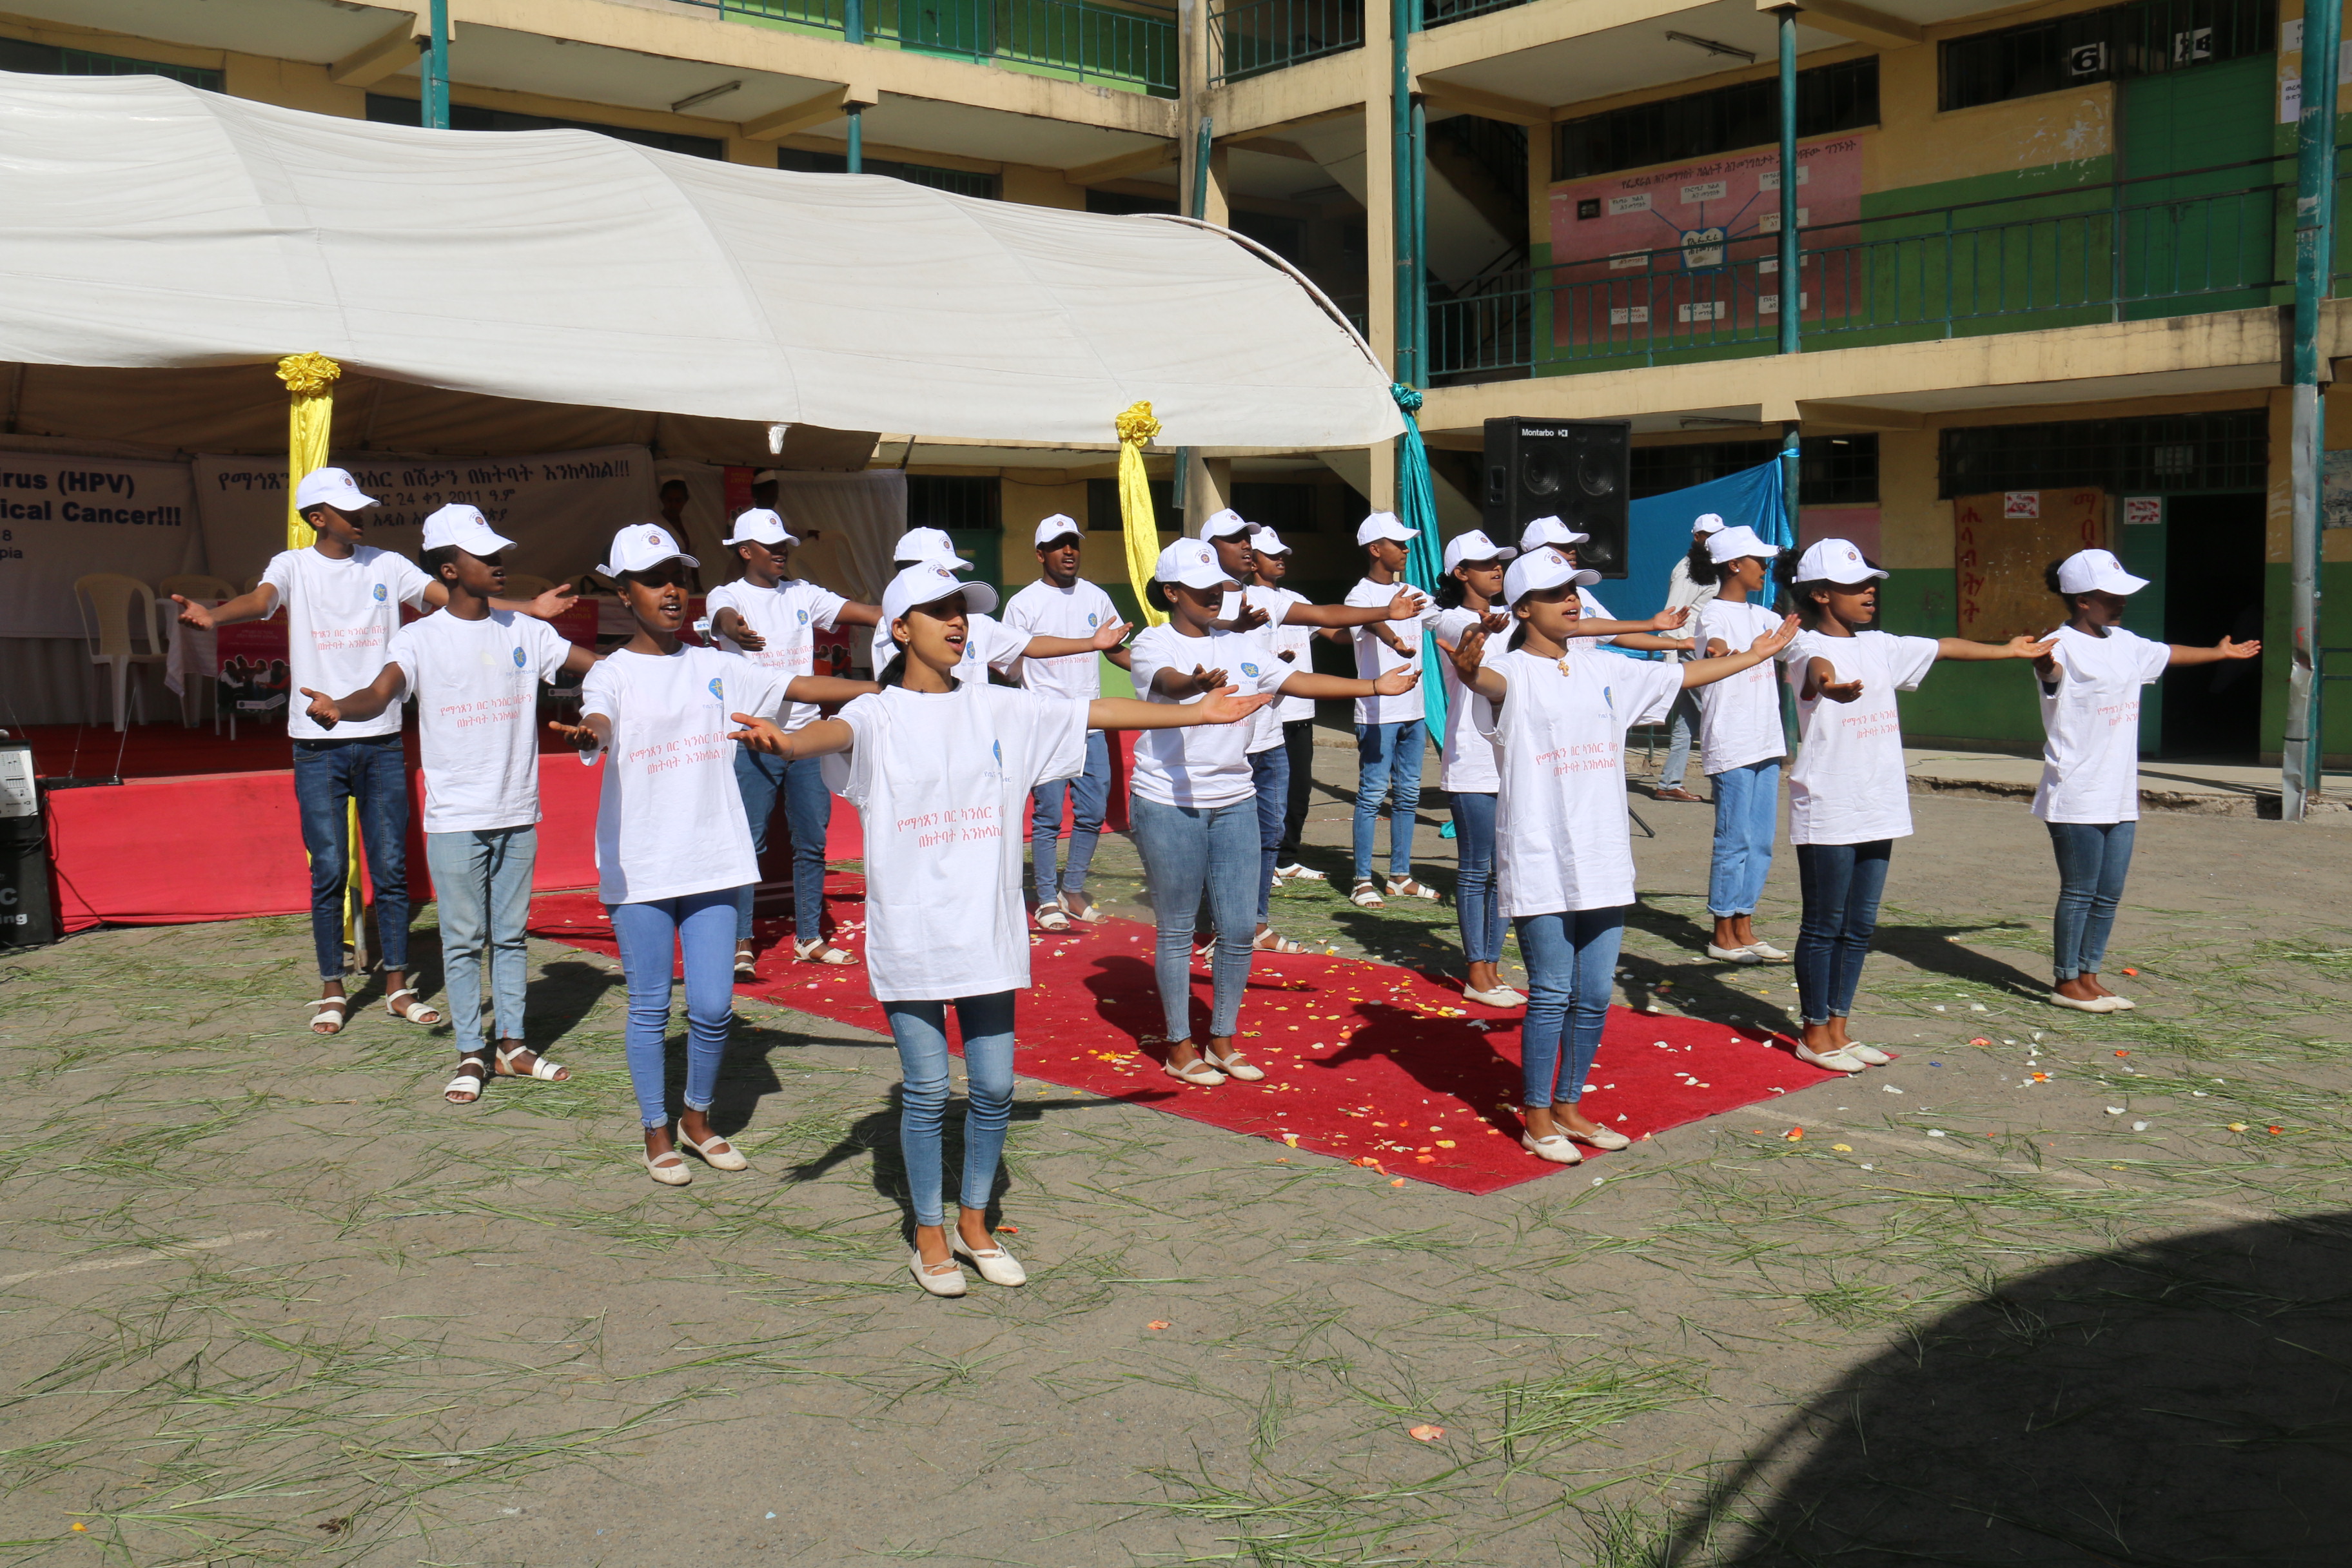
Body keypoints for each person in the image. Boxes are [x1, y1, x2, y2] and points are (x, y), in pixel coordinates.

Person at [739, 558, 1272, 1295]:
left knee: (992, 1088)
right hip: (916, 938)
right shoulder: (878, 713)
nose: (958, 621)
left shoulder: (997, 705)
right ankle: (927, 1230)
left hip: (987, 935)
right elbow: (823, 736)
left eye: (962, 609)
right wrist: (784, 744)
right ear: (900, 629)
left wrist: (1194, 715)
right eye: (938, 610)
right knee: (927, 1091)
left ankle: (975, 1220)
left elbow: (1093, 714)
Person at [173, 467, 573, 1038]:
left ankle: (396, 984)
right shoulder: (293, 566)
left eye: (361, 507)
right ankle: (333, 986)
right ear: (317, 518)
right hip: (317, 743)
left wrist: (526, 608)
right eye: (346, 509)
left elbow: (450, 594)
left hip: (382, 737)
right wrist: (214, 616)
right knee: (330, 867)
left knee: (389, 867)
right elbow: (262, 600)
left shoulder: (388, 564)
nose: (361, 516)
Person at [1446, 547, 1799, 1164]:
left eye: (1573, 590)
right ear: (1524, 608)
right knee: (1552, 991)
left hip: (1604, 857)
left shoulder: (1605, 667)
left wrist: (1757, 656)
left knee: (1594, 994)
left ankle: (1570, 1105)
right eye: (1557, 593)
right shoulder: (1514, 673)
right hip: (1540, 856)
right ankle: (1536, 1116)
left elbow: (1682, 676)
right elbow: (1490, 684)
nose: (1572, 600)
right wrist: (1473, 670)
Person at [549, 524, 870, 1186]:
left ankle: (697, 1117)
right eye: (655, 578)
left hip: (715, 860)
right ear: (623, 591)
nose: (672, 589)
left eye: (680, 576)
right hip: (641, 865)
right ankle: (655, 1130)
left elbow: (801, 688)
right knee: (647, 1006)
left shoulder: (714, 665)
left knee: (717, 1005)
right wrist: (593, 731)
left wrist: (890, 695)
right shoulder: (612, 672)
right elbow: (601, 714)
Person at [298, 504, 600, 1102]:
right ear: (448, 569)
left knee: (510, 936)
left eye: (498, 553)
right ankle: (471, 1052)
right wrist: (339, 707)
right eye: (483, 555)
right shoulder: (418, 638)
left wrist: (633, 692)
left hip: (518, 811)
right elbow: (379, 692)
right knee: (463, 939)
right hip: (458, 818)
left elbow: (601, 670)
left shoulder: (529, 632)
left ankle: (512, 1044)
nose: (498, 563)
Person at [1130, 539, 1420, 1086]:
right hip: (1169, 801)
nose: (1216, 597)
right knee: (1175, 931)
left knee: (1240, 928)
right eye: (1201, 591)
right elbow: (1166, 684)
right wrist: (1197, 687)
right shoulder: (1154, 643)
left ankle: (1222, 1037)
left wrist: (1374, 686)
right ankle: (1177, 1043)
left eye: (1219, 587)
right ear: (1171, 593)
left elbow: (1297, 681)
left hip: (1235, 798)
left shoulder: (1237, 641)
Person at [1779, 539, 2052, 1072]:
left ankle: (1840, 1028)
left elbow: (1945, 646)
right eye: (1856, 586)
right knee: (1824, 923)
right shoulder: (1800, 645)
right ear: (1821, 594)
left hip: (1877, 801)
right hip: (1830, 804)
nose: (1869, 594)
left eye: (1870, 584)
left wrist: (2009, 651)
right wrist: (1830, 688)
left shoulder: (1879, 644)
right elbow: (1815, 670)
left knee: (1859, 925)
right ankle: (1813, 1033)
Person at [2032, 548, 2259, 1013]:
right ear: (2082, 600)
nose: (2121, 602)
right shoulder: (2058, 645)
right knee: (2078, 891)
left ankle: (2090, 974)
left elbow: (2167, 653)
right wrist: (2041, 663)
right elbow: (2050, 674)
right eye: (2111, 595)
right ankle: (2065, 981)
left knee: (2109, 891)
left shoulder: (2123, 640)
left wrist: (2217, 652)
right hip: (2075, 791)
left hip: (2118, 791)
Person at [1201, 509, 1424, 947]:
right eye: (1236, 540)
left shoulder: (1273, 599)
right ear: (1209, 551)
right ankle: (1214, 925)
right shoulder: (1199, 602)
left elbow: (1324, 615)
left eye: (1249, 539)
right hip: (1222, 738)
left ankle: (1254, 922)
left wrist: (1380, 653)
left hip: (1269, 735)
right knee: (1222, 835)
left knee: (1268, 835)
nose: (1247, 546)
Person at [706, 507, 883, 974]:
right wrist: (734, 629)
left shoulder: (804, 594)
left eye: (786, 545)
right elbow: (722, 618)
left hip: (805, 737)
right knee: (750, 842)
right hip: (753, 737)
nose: (782, 552)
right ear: (746, 552)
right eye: (772, 546)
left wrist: (912, 616)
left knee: (812, 840)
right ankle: (740, 940)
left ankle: (809, 937)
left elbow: (866, 614)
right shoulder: (727, 596)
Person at [999, 516, 1131, 931]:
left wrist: (1159, 670)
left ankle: (1072, 890)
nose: (1069, 551)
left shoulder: (1096, 597)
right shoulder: (1022, 605)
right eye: (1059, 545)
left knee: (1092, 812)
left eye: (1073, 543)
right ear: (1041, 555)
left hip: (1090, 725)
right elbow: (1007, 667)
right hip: (1046, 728)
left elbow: (1115, 650)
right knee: (1049, 817)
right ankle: (1044, 897)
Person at [1689, 525, 1792, 965]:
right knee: (1734, 838)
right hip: (1731, 742)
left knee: (1762, 839)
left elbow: (1795, 645)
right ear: (1734, 565)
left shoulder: (1765, 617)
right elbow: (1712, 646)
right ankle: (1721, 932)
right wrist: (1720, 650)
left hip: (1767, 741)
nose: (1766, 569)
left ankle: (1746, 925)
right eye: (1760, 562)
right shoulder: (1711, 614)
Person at [865, 526, 1128, 691]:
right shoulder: (888, 631)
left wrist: (1092, 643)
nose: (949, 577)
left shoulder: (979, 624)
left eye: (951, 570)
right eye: (938, 571)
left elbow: (1032, 646)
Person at [1429, 529, 1519, 1006]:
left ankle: (1493, 966)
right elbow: (1462, 638)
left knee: (1505, 869)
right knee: (1475, 868)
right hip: (1471, 760)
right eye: (1485, 564)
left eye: (1499, 563)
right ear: (1461, 573)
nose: (1496, 570)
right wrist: (1484, 631)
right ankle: (1476, 971)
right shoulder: (1451, 619)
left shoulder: (1512, 620)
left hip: (1513, 758)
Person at [1652, 512, 1726, 803]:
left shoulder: (1709, 568)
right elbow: (1672, 615)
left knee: (1688, 720)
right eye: (1708, 536)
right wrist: (1671, 658)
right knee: (1715, 714)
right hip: (1689, 653)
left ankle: (1669, 783)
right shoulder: (1688, 570)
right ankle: (1725, 784)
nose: (1713, 541)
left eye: (1718, 536)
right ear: (1697, 537)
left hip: (1700, 651)